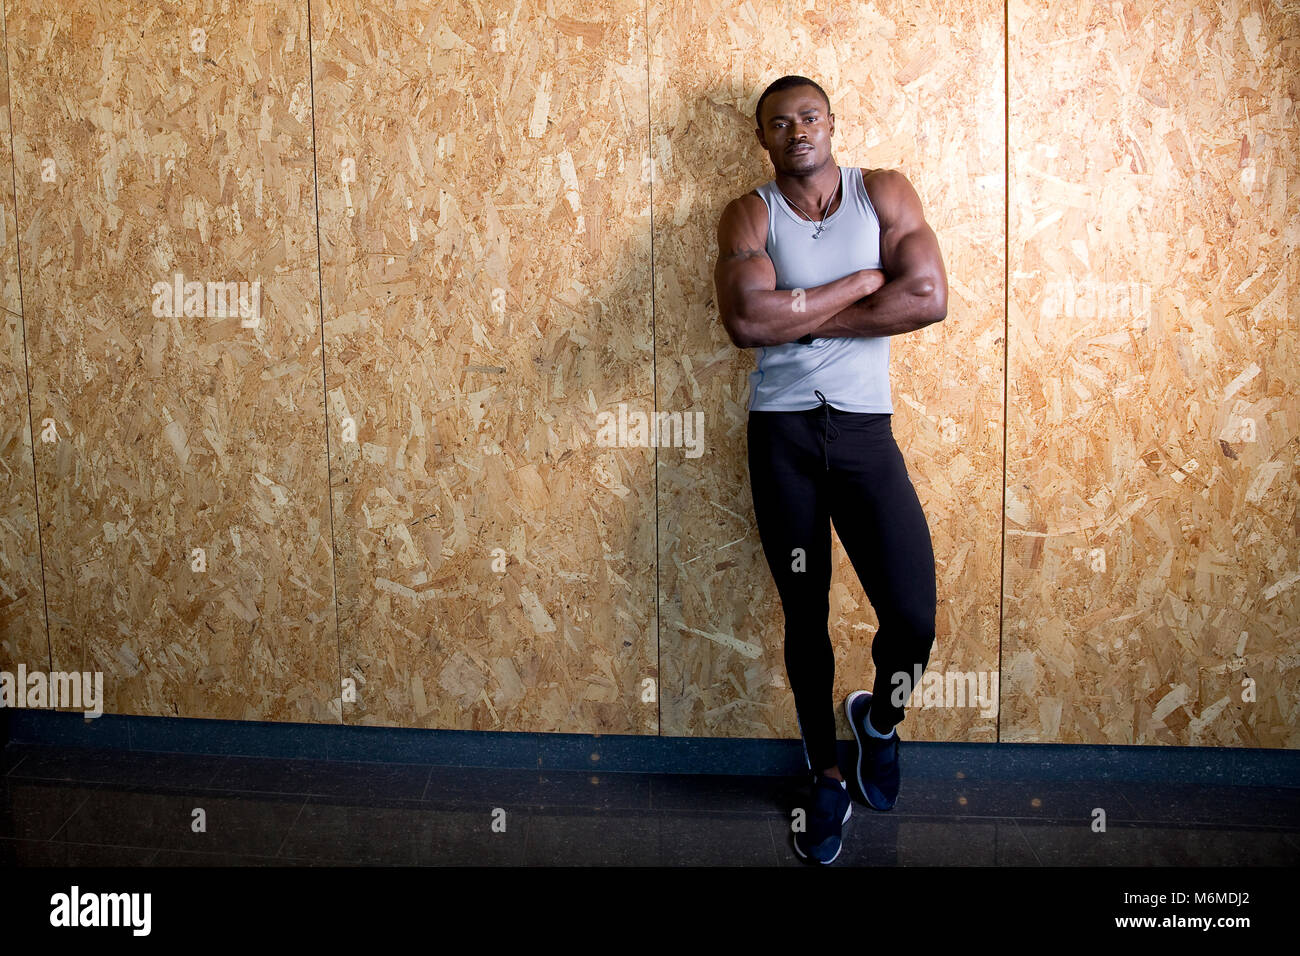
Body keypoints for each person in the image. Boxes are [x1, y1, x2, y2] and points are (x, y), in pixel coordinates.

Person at [712, 75, 947, 863]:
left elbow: (928, 296)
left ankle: (879, 720)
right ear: (763, 139)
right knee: (804, 616)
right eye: (779, 124)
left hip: (862, 437)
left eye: (808, 116)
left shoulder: (882, 193)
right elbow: (748, 320)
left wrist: (801, 316)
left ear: (833, 124)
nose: (797, 131)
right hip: (781, 440)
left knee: (913, 618)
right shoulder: (748, 212)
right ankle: (824, 773)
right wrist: (854, 287)